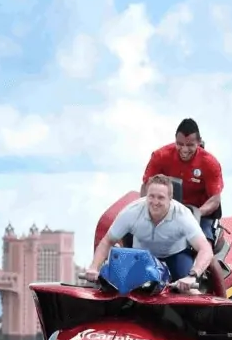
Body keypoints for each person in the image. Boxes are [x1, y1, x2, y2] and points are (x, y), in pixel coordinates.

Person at [85, 175, 213, 290]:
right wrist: (94, 267)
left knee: (189, 290)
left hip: (175, 255)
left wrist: (193, 276)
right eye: (151, 196)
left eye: (161, 198)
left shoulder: (183, 215)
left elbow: (205, 249)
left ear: (170, 198)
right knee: (114, 286)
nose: (155, 202)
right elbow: (108, 241)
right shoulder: (131, 212)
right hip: (141, 257)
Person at [141, 118, 224, 240]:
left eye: (190, 145)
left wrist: (197, 213)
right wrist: (148, 208)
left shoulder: (210, 163)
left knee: (204, 244)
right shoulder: (160, 156)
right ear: (175, 140)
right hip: (164, 209)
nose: (184, 150)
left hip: (198, 213)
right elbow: (146, 185)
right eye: (180, 144)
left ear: (199, 142)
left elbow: (215, 199)